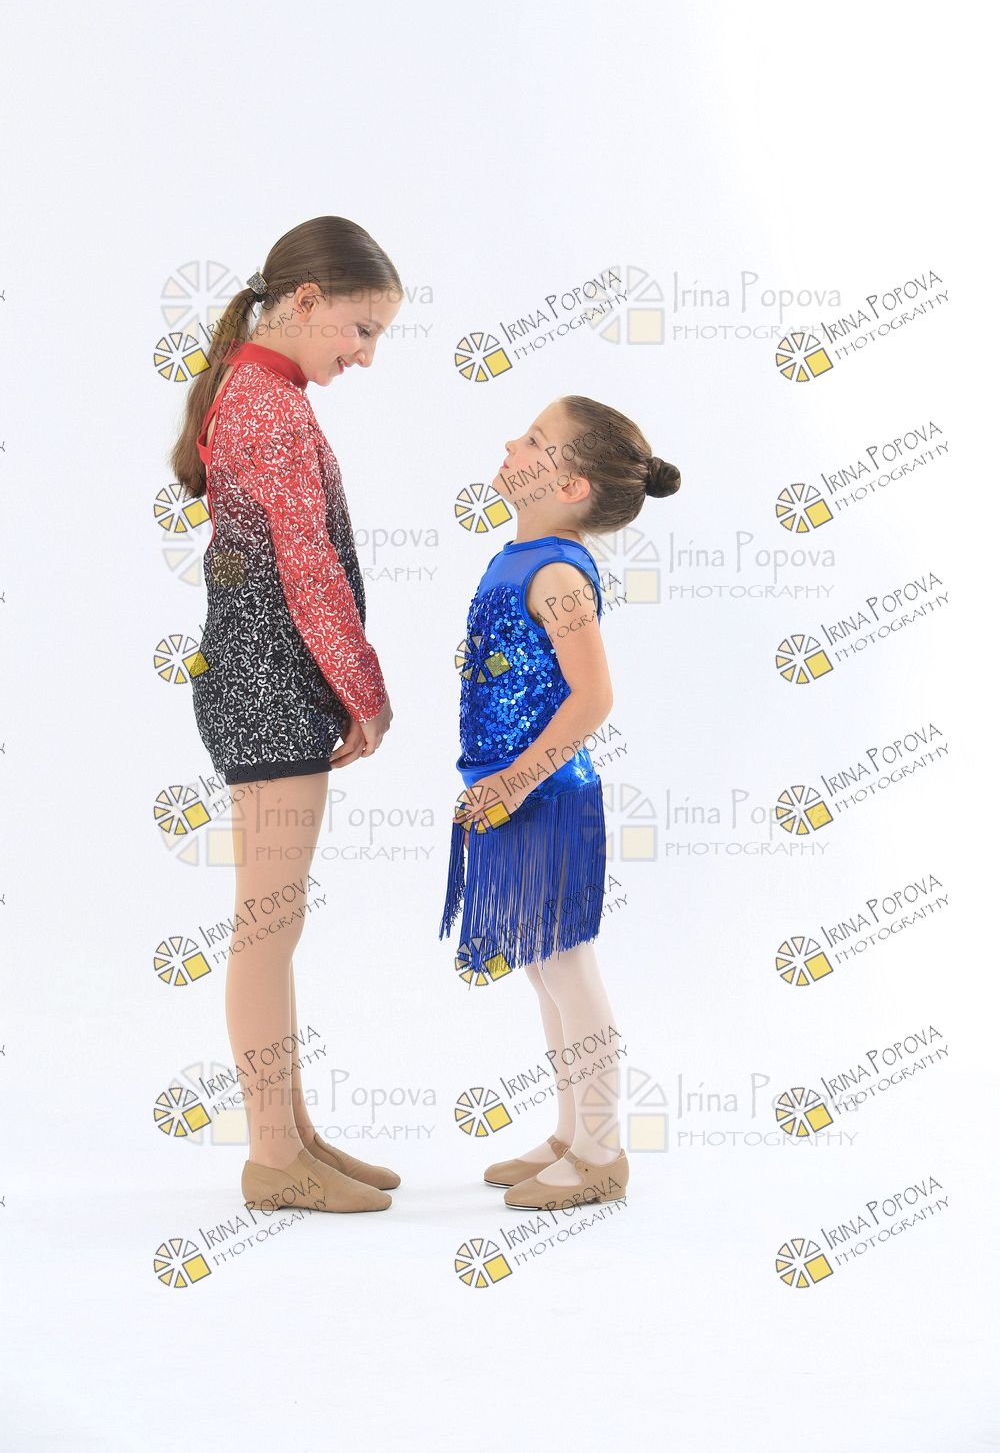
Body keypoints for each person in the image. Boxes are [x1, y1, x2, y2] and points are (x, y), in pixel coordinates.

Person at [169, 216, 403, 1215]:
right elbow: (307, 570)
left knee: (278, 919)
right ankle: (272, 1157)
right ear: (305, 301)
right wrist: (365, 690)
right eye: (360, 329)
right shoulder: (266, 407)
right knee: (266, 925)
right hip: (268, 684)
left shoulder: (261, 392)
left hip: (265, 679)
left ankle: (295, 1134)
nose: (366, 355)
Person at [439, 395, 680, 1212]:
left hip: (544, 796)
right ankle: (572, 1134)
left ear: (571, 486)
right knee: (543, 969)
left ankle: (602, 1155)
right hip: (510, 792)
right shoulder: (523, 557)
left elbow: (593, 696)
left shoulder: (557, 573)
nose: (512, 441)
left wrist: (514, 781)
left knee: (567, 967)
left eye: (535, 440)